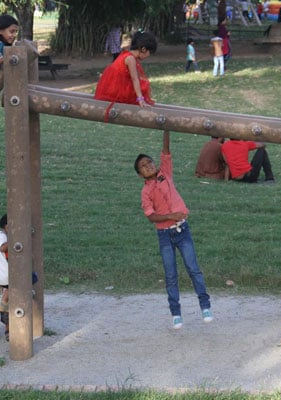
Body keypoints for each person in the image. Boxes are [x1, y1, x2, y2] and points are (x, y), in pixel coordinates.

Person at [135, 130, 213, 329]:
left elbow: (166, 151)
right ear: (140, 174)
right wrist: (171, 216)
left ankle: (205, 305)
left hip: (182, 231)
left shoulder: (165, 173)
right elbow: (151, 217)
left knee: (193, 268)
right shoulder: (146, 191)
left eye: (149, 162)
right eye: (143, 166)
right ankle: (176, 313)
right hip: (165, 235)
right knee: (171, 274)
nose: (148, 166)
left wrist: (165, 127)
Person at [94, 31, 157, 107]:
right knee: (142, 87)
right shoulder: (130, 59)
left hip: (112, 86)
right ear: (143, 49)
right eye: (149, 53)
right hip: (115, 89)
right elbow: (134, 79)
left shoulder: (126, 53)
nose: (148, 56)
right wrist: (140, 99)